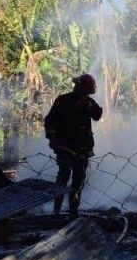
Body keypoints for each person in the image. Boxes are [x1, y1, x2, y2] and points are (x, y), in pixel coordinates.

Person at [44, 73, 103, 217]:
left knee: (78, 180)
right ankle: (56, 210)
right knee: (63, 176)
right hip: (65, 146)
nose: (84, 93)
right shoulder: (63, 100)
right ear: (77, 87)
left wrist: (87, 105)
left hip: (83, 148)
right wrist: (52, 138)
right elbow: (49, 120)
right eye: (83, 90)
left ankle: (73, 211)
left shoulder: (89, 102)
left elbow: (97, 114)